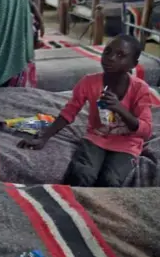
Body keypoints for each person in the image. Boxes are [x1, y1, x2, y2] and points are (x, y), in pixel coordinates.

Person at [18, 35, 152, 187]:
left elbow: (146, 130)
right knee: (81, 174)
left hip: (128, 144)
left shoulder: (139, 89)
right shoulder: (89, 83)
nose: (111, 58)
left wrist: (119, 108)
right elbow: (69, 112)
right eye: (107, 52)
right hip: (97, 137)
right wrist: (44, 137)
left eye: (120, 55)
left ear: (133, 64)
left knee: (110, 180)